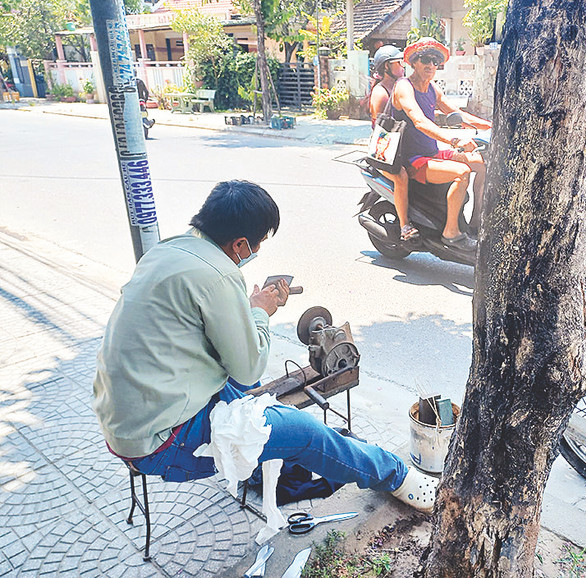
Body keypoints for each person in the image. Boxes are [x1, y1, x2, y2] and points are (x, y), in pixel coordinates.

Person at [92, 180, 437, 513]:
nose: (256, 252)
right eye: (257, 244)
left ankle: (261, 459)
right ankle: (399, 477)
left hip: (124, 419)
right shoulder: (220, 276)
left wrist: (247, 306)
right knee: (307, 433)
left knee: (252, 395)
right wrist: (260, 313)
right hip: (162, 442)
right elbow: (249, 367)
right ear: (239, 244)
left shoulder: (169, 250)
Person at [393, 37, 492, 251]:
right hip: (413, 159)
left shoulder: (432, 88)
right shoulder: (404, 87)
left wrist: (493, 126)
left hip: (432, 153)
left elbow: (457, 114)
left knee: (482, 164)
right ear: (413, 62)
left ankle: (475, 222)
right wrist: (455, 140)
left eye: (435, 61)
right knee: (462, 172)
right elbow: (418, 121)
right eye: (425, 60)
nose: (431, 65)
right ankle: (451, 232)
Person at [369, 45, 417, 242]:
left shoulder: (402, 86)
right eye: (397, 63)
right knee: (401, 176)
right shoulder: (381, 92)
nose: (402, 66)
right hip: (384, 149)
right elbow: (381, 128)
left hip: (401, 146)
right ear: (386, 67)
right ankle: (405, 225)